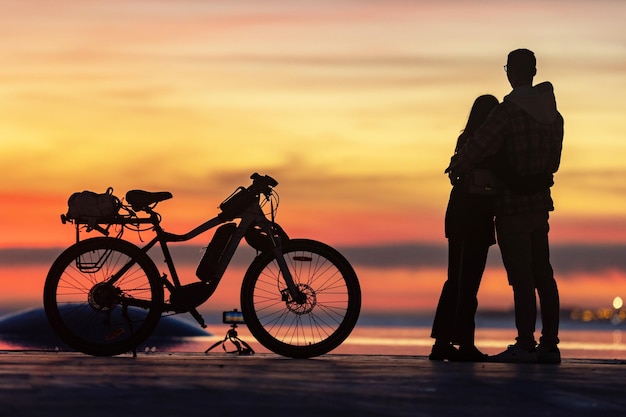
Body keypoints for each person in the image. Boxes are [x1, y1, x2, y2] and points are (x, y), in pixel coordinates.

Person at [446, 49, 564, 364]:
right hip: (540, 204)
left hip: (512, 205)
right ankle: (550, 343)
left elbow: (480, 144)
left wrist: (458, 164)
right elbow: (554, 161)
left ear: (510, 72)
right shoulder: (554, 115)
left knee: (522, 277)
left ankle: (525, 343)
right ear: (535, 71)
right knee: (544, 274)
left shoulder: (507, 111)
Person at [429, 94, 499, 362]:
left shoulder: (464, 141)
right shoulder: (491, 146)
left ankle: (442, 342)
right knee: (469, 283)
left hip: (457, 214)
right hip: (477, 217)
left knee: (455, 280)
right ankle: (466, 345)